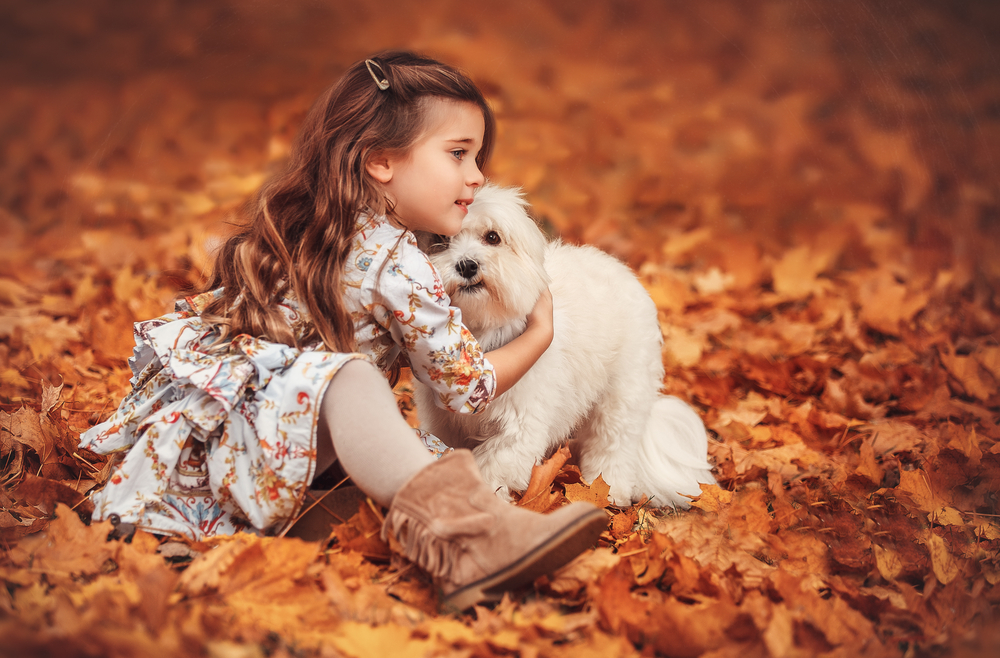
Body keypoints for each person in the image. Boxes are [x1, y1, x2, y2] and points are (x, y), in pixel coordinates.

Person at [79, 51, 606, 610]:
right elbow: (464, 385)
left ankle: (237, 529)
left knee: (392, 457)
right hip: (261, 447)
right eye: (458, 154)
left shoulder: (313, 227)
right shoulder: (398, 264)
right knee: (352, 381)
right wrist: (538, 334)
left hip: (213, 453)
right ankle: (471, 543)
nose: (477, 175)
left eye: (478, 157)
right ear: (382, 162)